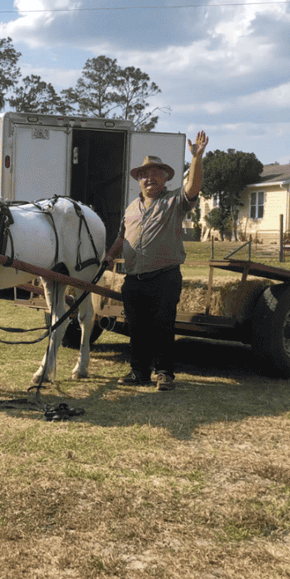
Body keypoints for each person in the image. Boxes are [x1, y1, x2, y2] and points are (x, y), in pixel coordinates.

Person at [107, 131, 209, 392]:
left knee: (162, 327)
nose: (149, 178)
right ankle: (139, 372)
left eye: (155, 173)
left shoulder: (174, 200)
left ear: (165, 178)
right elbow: (122, 236)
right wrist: (109, 255)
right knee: (137, 329)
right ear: (138, 180)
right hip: (133, 279)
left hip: (164, 277)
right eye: (144, 174)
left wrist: (196, 159)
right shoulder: (131, 208)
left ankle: (164, 374)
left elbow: (193, 188)